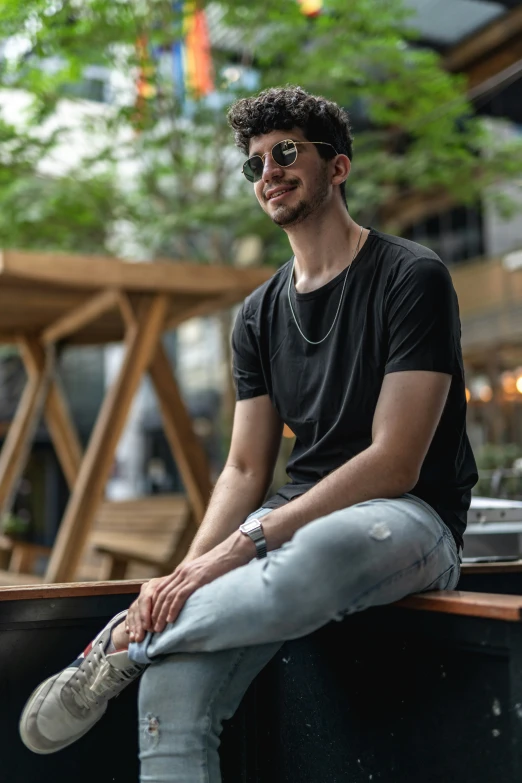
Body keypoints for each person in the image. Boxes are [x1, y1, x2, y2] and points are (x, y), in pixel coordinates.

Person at [19, 86, 478, 781]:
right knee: (170, 690)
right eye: (256, 162)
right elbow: (241, 469)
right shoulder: (258, 314)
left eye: (286, 152)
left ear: (338, 166)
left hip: (406, 522)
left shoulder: (411, 276)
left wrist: (242, 546)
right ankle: (140, 651)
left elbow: (395, 462)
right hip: (289, 519)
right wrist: (183, 572)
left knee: (320, 550)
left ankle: (115, 648)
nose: (269, 171)